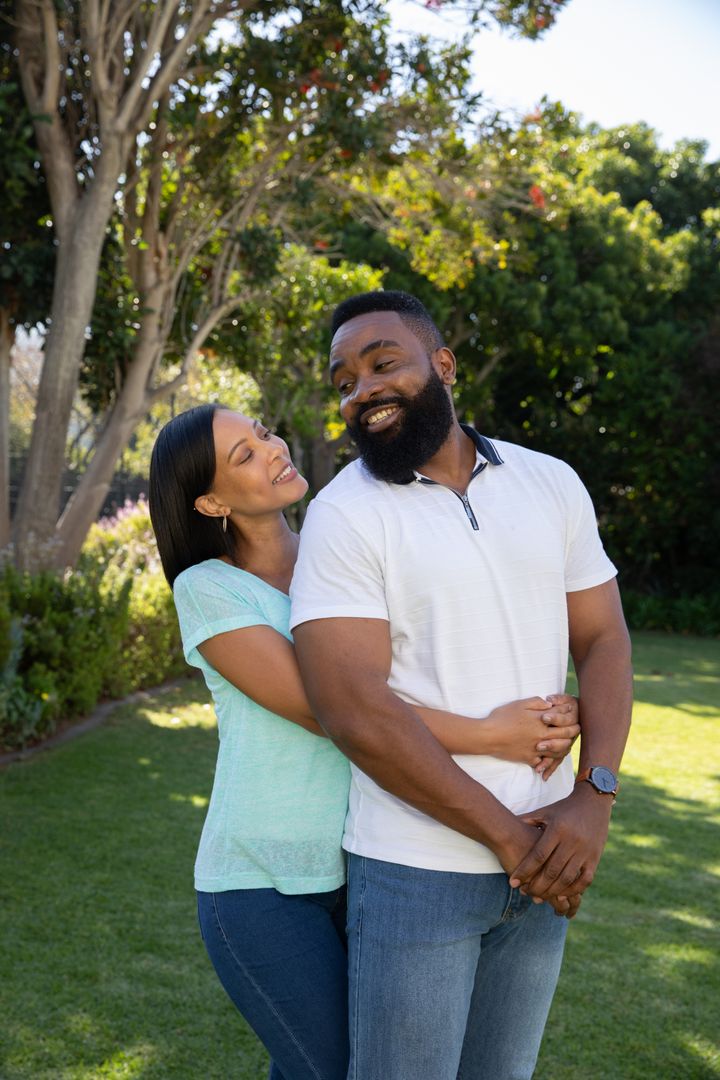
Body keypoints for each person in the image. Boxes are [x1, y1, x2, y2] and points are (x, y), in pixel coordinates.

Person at [148, 402, 581, 1080]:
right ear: (208, 502)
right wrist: (494, 733)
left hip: (365, 867)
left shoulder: (340, 548)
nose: (271, 448)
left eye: (262, 432)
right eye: (243, 456)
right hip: (263, 886)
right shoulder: (210, 590)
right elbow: (329, 710)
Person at [289, 290, 633, 1080]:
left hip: (551, 855)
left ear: (442, 366)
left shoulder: (550, 483)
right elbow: (354, 710)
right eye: (344, 380)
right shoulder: (346, 516)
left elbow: (605, 636)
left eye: (383, 364)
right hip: (417, 872)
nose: (361, 389)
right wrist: (513, 842)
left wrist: (594, 797)